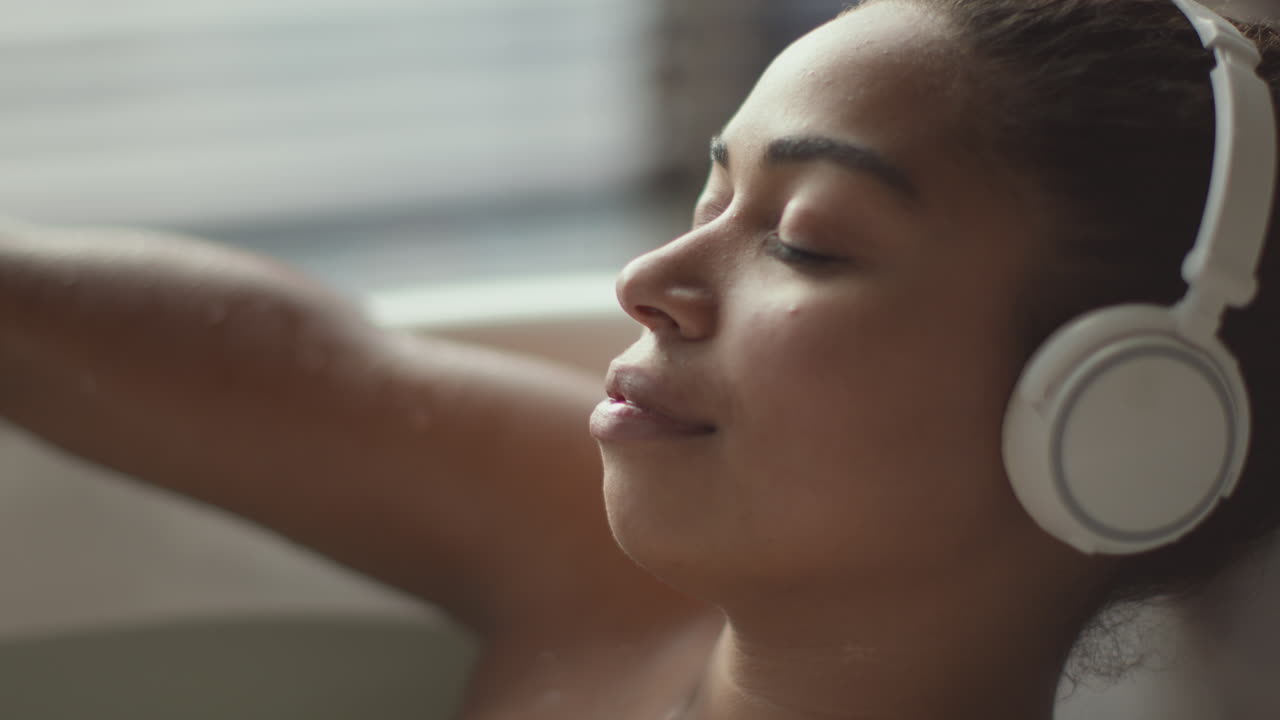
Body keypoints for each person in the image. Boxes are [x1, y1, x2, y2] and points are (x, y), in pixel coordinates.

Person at [2, 0, 1279, 718]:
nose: (646, 283)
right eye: (707, 196)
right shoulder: (602, 592)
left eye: (806, 244)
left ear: (1123, 426)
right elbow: (299, 368)